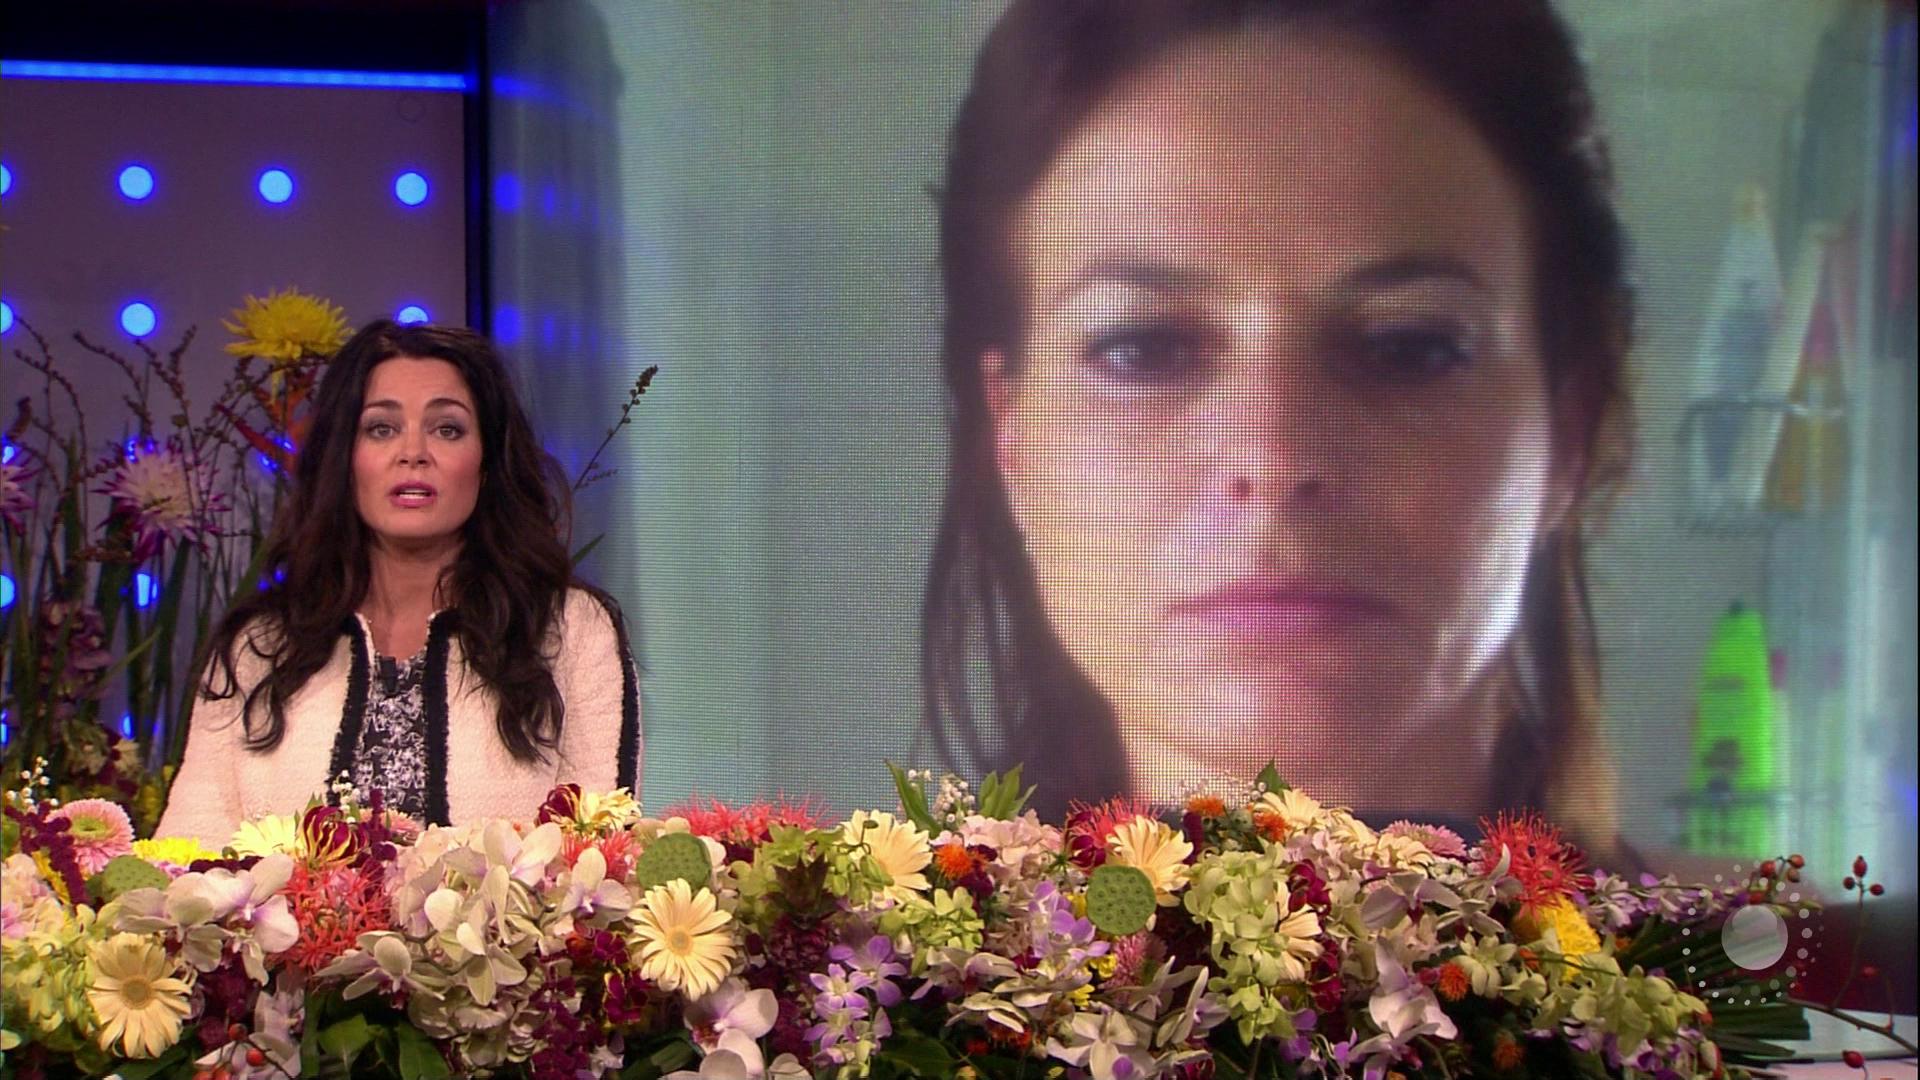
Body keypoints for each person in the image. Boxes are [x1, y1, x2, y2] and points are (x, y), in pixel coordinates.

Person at [920, 0, 1633, 852]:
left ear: (1571, 431)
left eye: (1409, 347)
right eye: (1142, 349)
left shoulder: (1762, 938)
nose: (1275, 454)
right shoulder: (809, 943)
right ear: (1011, 438)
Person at [158, 320, 641, 847]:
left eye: (447, 429)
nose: (413, 453)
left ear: (486, 463)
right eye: (381, 429)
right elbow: (188, 854)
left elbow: (600, 856)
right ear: (345, 459)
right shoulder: (260, 644)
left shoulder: (568, 630)